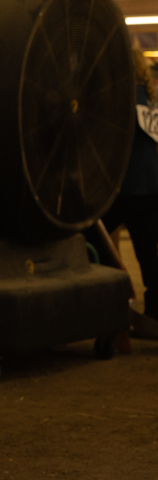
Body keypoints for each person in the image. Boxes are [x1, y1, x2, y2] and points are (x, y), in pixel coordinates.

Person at [101, 47, 158, 321]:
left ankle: (103, 300)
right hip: (151, 186)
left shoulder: (119, 98)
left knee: (87, 240)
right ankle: (156, 313)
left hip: (125, 187)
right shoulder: (150, 99)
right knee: (149, 255)